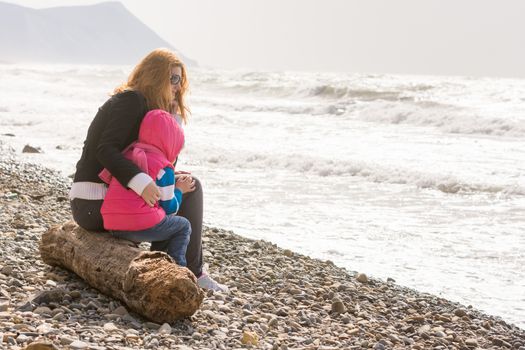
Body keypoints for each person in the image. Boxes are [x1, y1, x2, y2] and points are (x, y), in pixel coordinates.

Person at [69, 48, 228, 292]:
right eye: (173, 79)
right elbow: (106, 150)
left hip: (110, 197)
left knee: (189, 183)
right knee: (190, 190)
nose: (177, 87)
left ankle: (167, 269)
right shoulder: (130, 100)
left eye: (180, 80)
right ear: (155, 76)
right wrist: (141, 183)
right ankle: (191, 271)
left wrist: (172, 118)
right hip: (92, 203)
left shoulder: (146, 110)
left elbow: (163, 163)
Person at [99, 109, 192, 267]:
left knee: (154, 215)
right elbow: (170, 208)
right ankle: (179, 266)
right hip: (138, 226)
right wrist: (180, 190)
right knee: (183, 225)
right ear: (171, 143)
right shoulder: (164, 168)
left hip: (112, 224)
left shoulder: (127, 155)